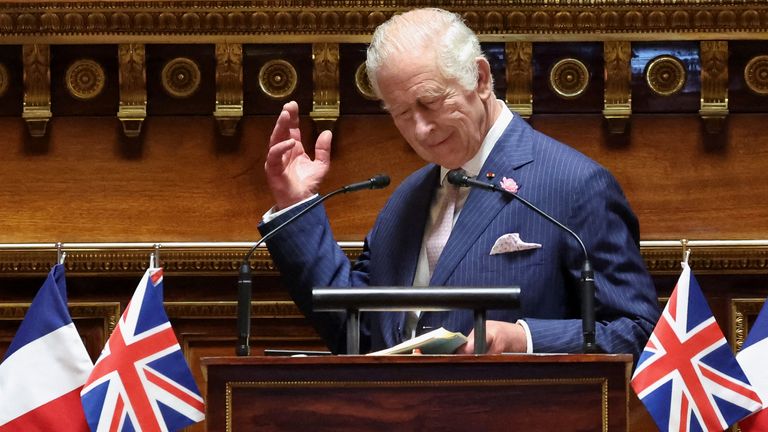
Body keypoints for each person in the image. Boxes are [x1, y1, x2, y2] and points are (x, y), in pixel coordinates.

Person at [259, 8, 659, 357]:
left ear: (480, 78)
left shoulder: (574, 184)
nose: (420, 129)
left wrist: (526, 338)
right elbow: (357, 332)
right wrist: (296, 204)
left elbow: (637, 332)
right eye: (401, 114)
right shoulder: (405, 200)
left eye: (430, 102)